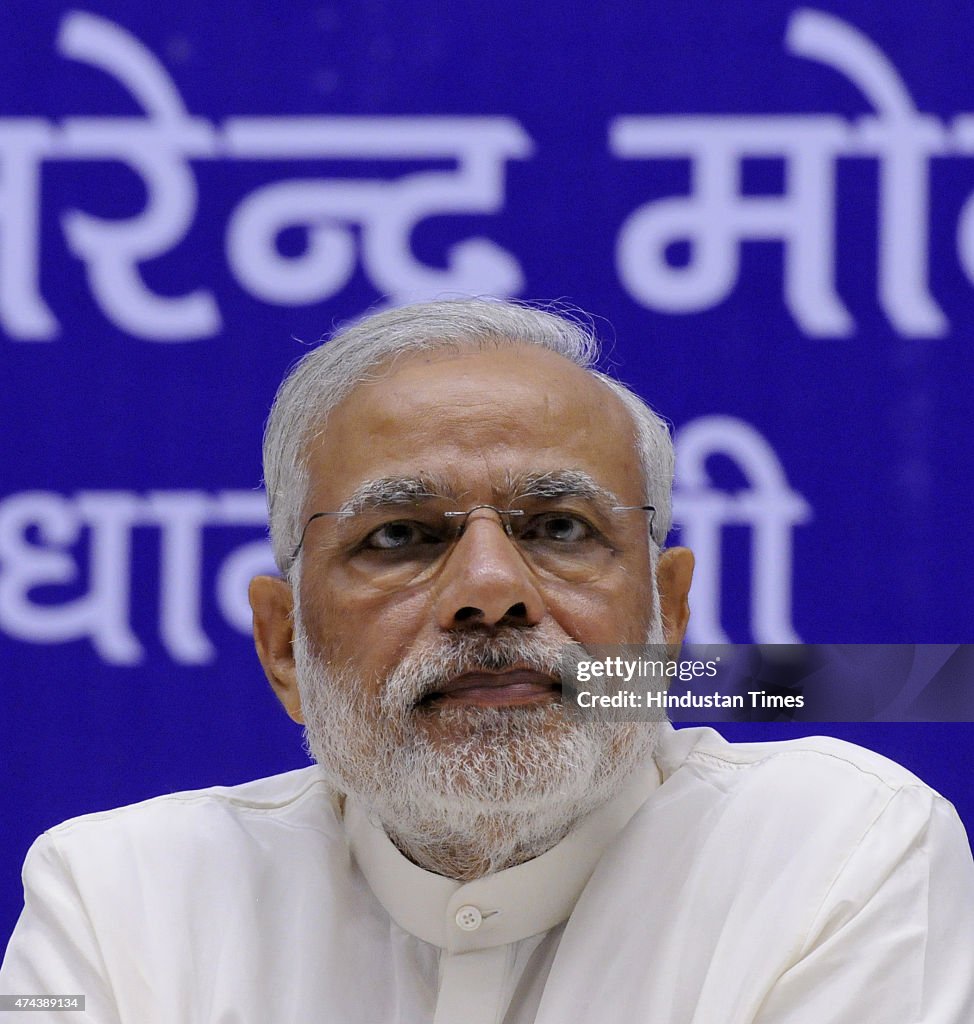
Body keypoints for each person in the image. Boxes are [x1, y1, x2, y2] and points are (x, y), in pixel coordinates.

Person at [2, 298, 973, 1022]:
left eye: (556, 526)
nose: (488, 589)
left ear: (665, 618)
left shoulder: (831, 853)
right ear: (283, 644)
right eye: (399, 536)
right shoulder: (120, 895)